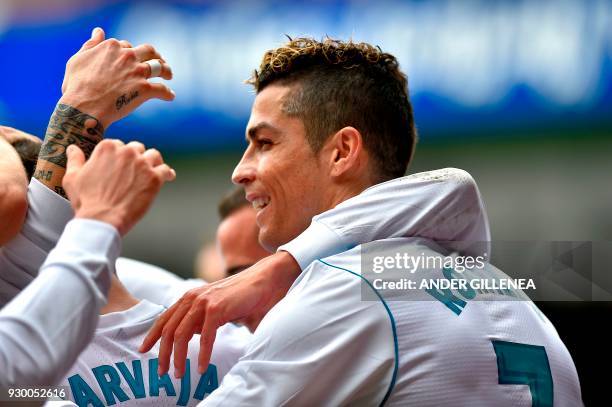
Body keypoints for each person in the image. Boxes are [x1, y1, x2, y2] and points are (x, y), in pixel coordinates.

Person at [141, 37, 582, 405]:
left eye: (265, 142)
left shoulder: (343, 289)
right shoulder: (498, 287)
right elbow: (455, 188)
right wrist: (286, 263)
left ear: (342, 152)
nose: (241, 170)